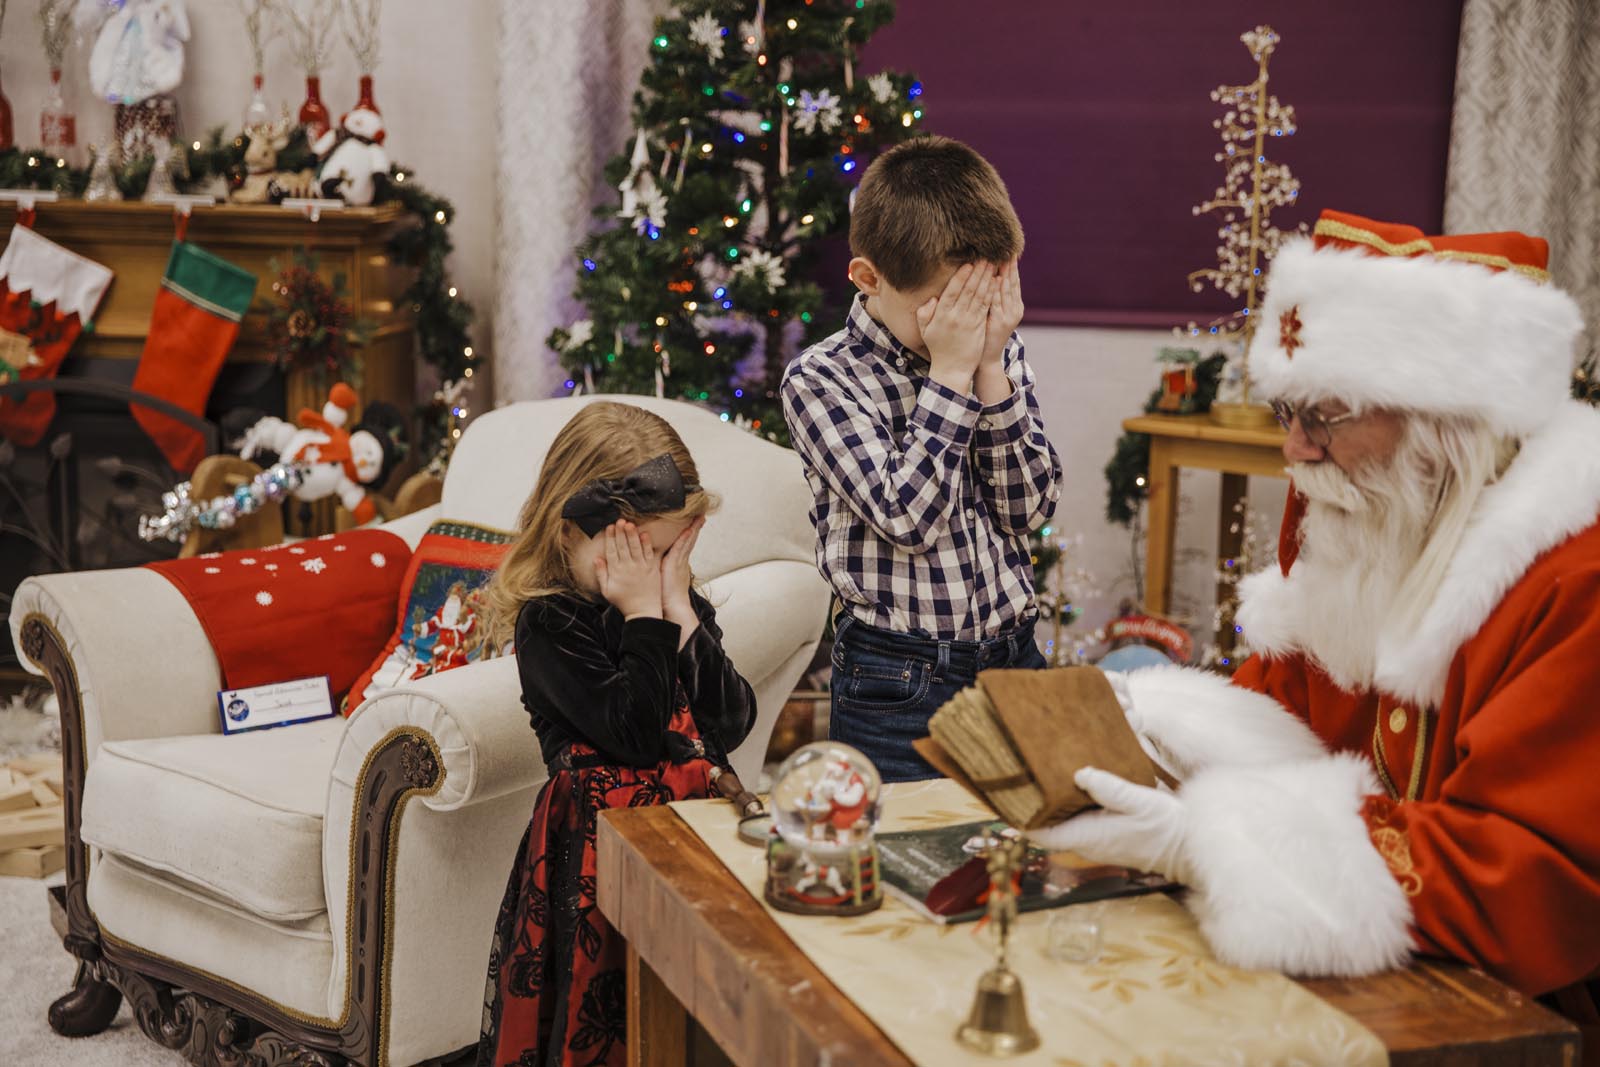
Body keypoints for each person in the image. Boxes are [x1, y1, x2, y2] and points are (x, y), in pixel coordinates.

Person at [1031, 209, 1600, 1041]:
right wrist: (1146, 749)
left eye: (1324, 417)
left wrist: (1216, 842)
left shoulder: (1573, 580)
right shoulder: (1380, 528)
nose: (1294, 451)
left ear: (1447, 424)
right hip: (1365, 981)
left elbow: (1528, 882)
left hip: (1514, 1021)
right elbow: (1278, 714)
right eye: (1286, 414)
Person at [474, 401, 757, 1067]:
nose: (656, 571)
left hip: (691, 842)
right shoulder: (550, 624)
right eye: (639, 553)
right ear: (571, 532)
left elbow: (732, 721)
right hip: (595, 862)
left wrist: (680, 610)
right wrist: (642, 616)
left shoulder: (668, 602)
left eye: (668, 553)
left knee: (690, 1016)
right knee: (605, 1020)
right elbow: (633, 732)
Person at [780, 135, 1062, 782]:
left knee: (1031, 853)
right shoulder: (822, 380)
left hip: (1014, 658)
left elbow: (1028, 510)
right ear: (869, 278)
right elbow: (906, 517)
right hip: (897, 681)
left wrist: (989, 366)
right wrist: (955, 371)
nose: (966, 320)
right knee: (909, 864)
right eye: (943, 304)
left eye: (983, 297)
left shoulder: (994, 347)